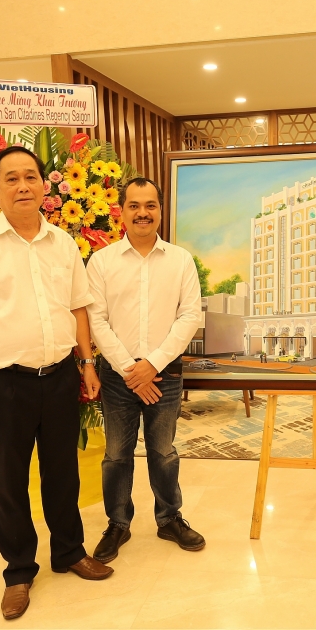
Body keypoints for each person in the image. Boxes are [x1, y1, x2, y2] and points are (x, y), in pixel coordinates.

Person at [0, 146, 114, 621]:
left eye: (30, 176)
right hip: (4, 382)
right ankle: (18, 572)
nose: (22, 186)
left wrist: (87, 362)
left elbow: (78, 307)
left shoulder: (63, 243)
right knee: (10, 478)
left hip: (58, 377)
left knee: (63, 470)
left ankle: (69, 551)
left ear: (43, 185)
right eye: (11, 179)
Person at [86, 177, 204, 564]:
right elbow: (96, 320)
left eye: (150, 205)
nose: (142, 213)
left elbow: (190, 316)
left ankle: (169, 518)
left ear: (160, 211)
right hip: (117, 375)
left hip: (164, 374)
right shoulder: (102, 262)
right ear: (121, 211)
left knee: (163, 451)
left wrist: (151, 364)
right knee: (116, 455)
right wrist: (129, 369)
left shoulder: (181, 260)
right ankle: (117, 523)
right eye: (134, 205)